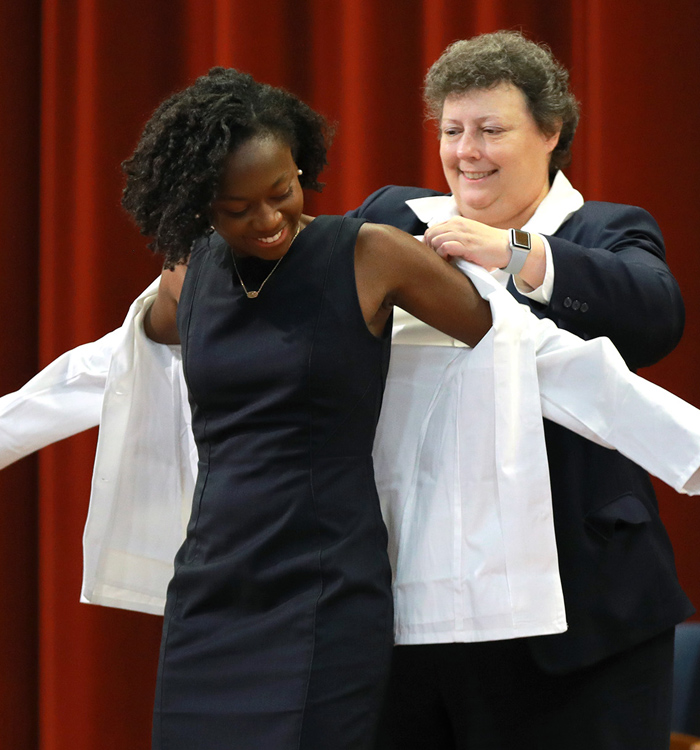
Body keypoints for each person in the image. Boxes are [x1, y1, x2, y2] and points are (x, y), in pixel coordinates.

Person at [110, 67, 493, 749]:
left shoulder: (369, 255)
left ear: (302, 168)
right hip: (210, 584)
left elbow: (508, 343)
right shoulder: (189, 271)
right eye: (237, 208)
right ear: (202, 205)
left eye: (281, 192)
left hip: (324, 587)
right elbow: (144, 341)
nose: (267, 220)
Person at [347, 30, 693, 750]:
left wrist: (510, 254)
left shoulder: (603, 230)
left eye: (490, 129)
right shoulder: (394, 222)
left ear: (550, 131)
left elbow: (654, 316)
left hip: (580, 623)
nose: (466, 150)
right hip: (408, 614)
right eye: (452, 129)